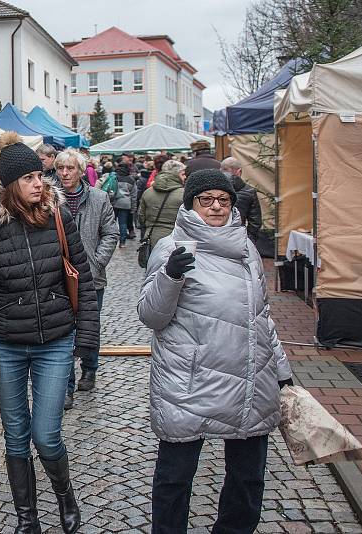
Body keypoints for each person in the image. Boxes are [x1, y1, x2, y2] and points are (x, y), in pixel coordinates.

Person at [137, 169, 294, 534]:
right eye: (205, 199)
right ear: (190, 203)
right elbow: (151, 315)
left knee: (248, 478)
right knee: (175, 477)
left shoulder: (246, 247)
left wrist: (281, 369)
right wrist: (169, 276)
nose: (216, 207)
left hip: (250, 373)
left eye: (223, 200)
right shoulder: (171, 247)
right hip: (188, 379)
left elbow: (262, 315)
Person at [0, 132, 99, 534]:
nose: (39, 182)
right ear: (10, 185)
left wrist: (87, 338)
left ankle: (65, 497)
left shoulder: (60, 216)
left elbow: (85, 280)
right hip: (7, 346)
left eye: (38, 175)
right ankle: (28, 518)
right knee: (15, 438)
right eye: (28, 178)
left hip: (54, 343)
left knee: (46, 436)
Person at [55, 149, 119, 409]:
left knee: (89, 325)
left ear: (81, 171)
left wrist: (96, 262)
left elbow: (111, 233)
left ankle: (90, 367)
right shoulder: (50, 198)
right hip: (58, 276)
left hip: (92, 277)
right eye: (61, 168)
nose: (65, 173)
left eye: (70, 168)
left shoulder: (98, 198)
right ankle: (66, 387)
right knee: (63, 331)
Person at [138, 160, 186, 247]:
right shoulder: (184, 194)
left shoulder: (148, 192)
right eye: (182, 174)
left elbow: (141, 217)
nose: (185, 177)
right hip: (176, 239)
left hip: (151, 238)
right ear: (175, 174)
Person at [221, 157, 262, 243]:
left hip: (214, 236)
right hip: (239, 237)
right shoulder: (250, 191)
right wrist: (250, 240)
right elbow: (255, 222)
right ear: (239, 172)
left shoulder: (212, 190)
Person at [112, 163, 137, 247]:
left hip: (113, 202)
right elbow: (134, 195)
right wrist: (133, 208)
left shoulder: (114, 177)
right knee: (123, 223)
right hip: (126, 204)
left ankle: (111, 241)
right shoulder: (131, 179)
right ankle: (122, 242)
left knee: (111, 223)